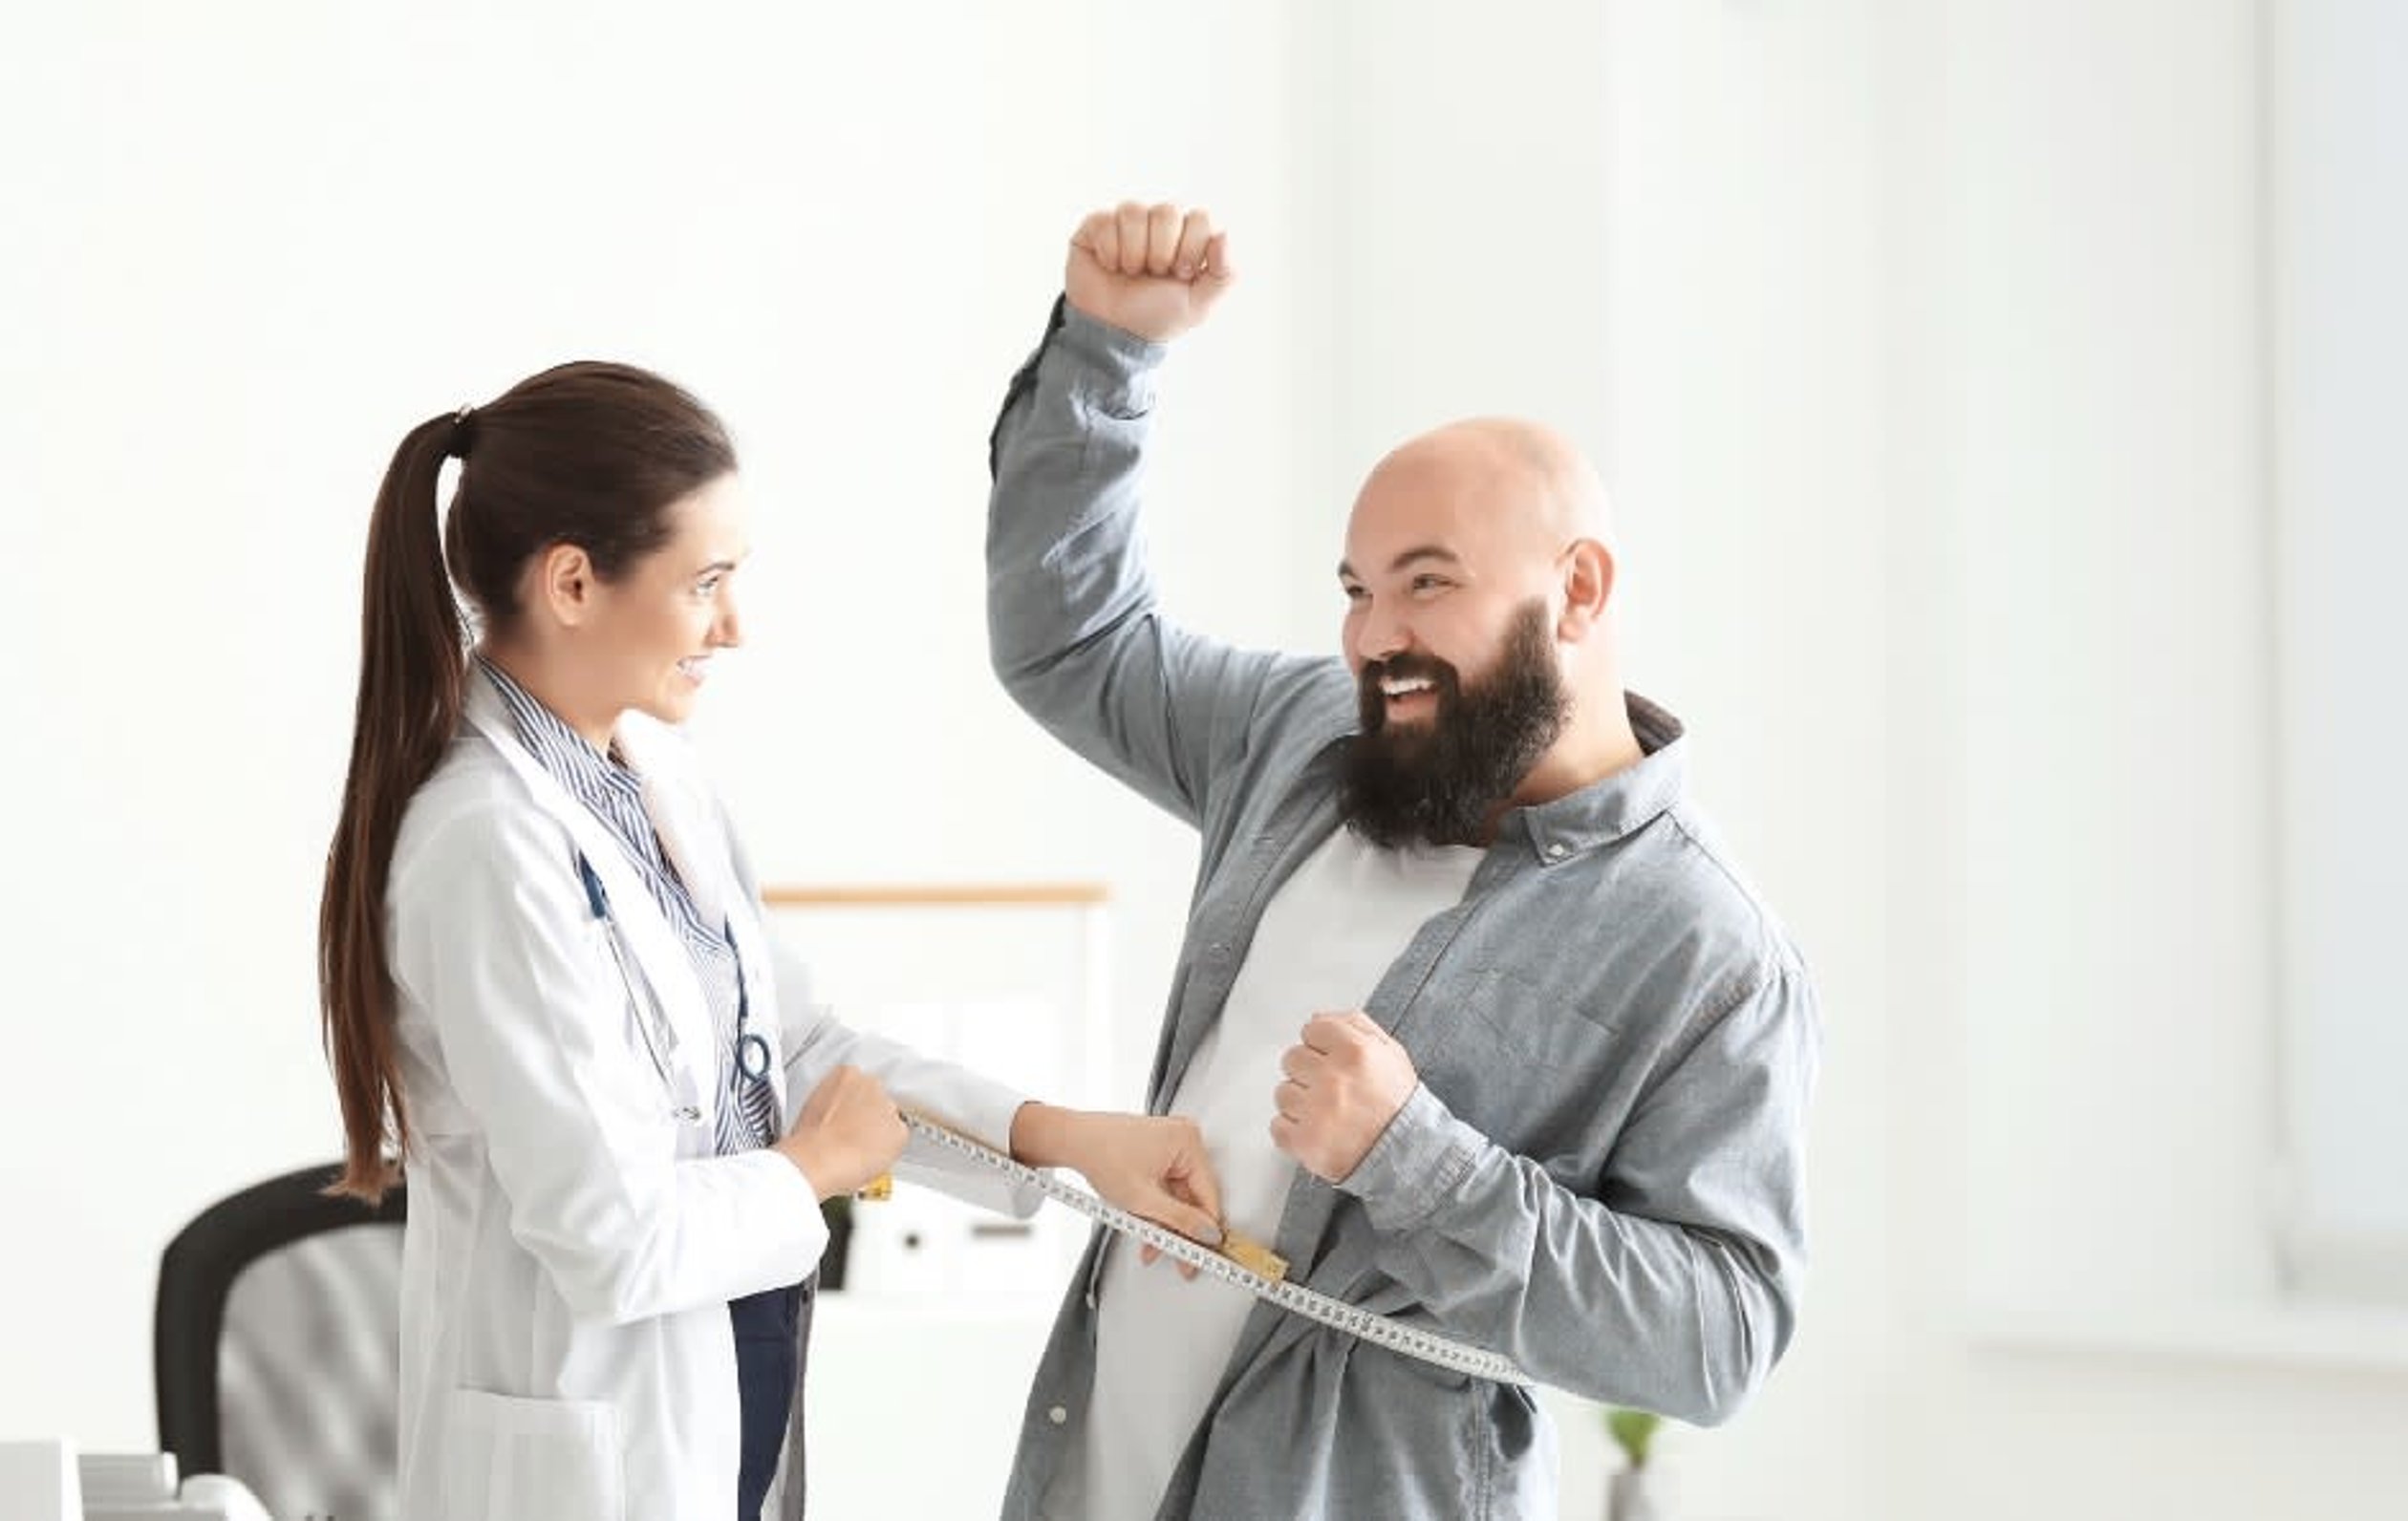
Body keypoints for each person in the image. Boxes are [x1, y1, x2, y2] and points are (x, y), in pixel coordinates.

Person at [984, 204, 1821, 1520]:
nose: (1374, 637)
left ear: (1579, 590)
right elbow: (1070, 642)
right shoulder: (1304, 733)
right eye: (1357, 589)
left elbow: (1720, 1339)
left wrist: (1415, 1158)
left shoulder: (1707, 949)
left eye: (1427, 583)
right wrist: (1107, 353)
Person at [317, 360, 1225, 1521]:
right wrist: (813, 1170)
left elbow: (791, 1053)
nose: (736, 626)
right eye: (706, 582)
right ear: (573, 582)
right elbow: (610, 1237)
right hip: (591, 1465)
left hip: (727, 1408)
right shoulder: (487, 845)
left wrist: (1061, 1137)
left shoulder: (656, 778)